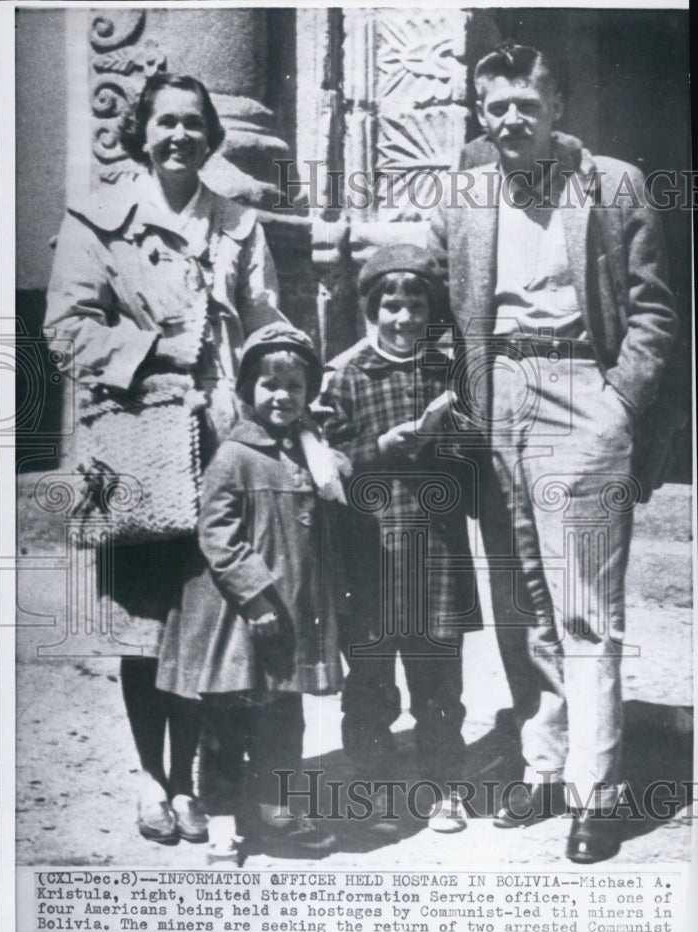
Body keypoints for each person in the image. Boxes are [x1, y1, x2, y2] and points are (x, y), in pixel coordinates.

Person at [428, 43, 678, 862]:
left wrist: (617, 410)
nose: (508, 121)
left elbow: (653, 314)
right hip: (497, 390)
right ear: (478, 111)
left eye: (524, 107)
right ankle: (542, 765)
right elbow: (435, 293)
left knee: (583, 603)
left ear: (555, 107)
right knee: (519, 592)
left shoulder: (611, 183)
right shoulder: (464, 192)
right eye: (494, 107)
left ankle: (594, 790)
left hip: (583, 390)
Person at [44, 74, 290, 844]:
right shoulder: (97, 219)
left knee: (202, 628)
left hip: (217, 446)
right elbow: (66, 331)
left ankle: (192, 783)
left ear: (210, 136)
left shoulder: (239, 225)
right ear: (140, 134)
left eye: (193, 124)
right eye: (165, 123)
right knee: (141, 630)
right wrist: (158, 348)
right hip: (132, 447)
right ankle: (152, 780)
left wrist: (278, 390)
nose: (179, 135)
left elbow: (265, 325)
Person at [157, 326, 343, 859]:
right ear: (246, 389)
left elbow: (333, 492)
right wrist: (255, 598)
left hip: (289, 620)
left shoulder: (308, 454)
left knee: (285, 724)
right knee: (225, 730)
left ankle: (277, 816)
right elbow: (217, 534)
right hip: (242, 622)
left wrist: (329, 456)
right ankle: (221, 827)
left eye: (295, 386)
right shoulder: (235, 455)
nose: (282, 395)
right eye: (269, 383)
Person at [321, 245, 482, 836]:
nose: (405, 317)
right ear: (372, 307)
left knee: (438, 678)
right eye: (392, 304)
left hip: (434, 548)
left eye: (417, 303)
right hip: (369, 551)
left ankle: (443, 785)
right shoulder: (346, 376)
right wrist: (377, 451)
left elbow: (472, 463)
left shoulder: (446, 372)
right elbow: (328, 465)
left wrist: (448, 445)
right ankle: (375, 784)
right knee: (368, 679)